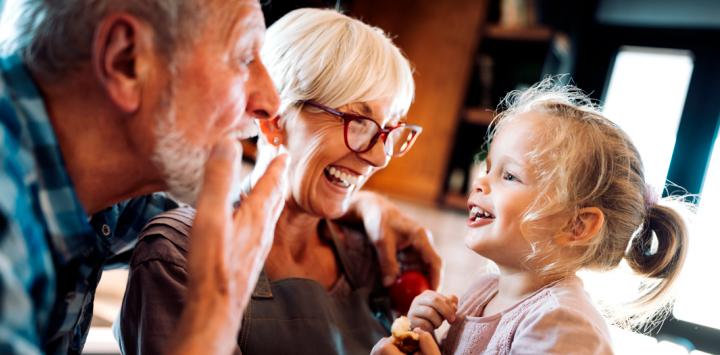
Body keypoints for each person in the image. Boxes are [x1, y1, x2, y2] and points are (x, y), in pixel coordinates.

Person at [0, 1, 440, 354]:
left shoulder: (108, 203)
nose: (269, 102)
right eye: (243, 56)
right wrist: (213, 321)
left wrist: (355, 200)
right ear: (127, 60)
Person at [117, 8, 430, 355]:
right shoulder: (180, 253)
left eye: (388, 131)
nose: (379, 157)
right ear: (276, 121)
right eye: (358, 122)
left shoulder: (370, 256)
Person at [372, 78, 689, 354]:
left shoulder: (564, 325)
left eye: (509, 175)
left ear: (576, 225)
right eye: (488, 168)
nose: (480, 182)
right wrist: (417, 335)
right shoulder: (484, 290)